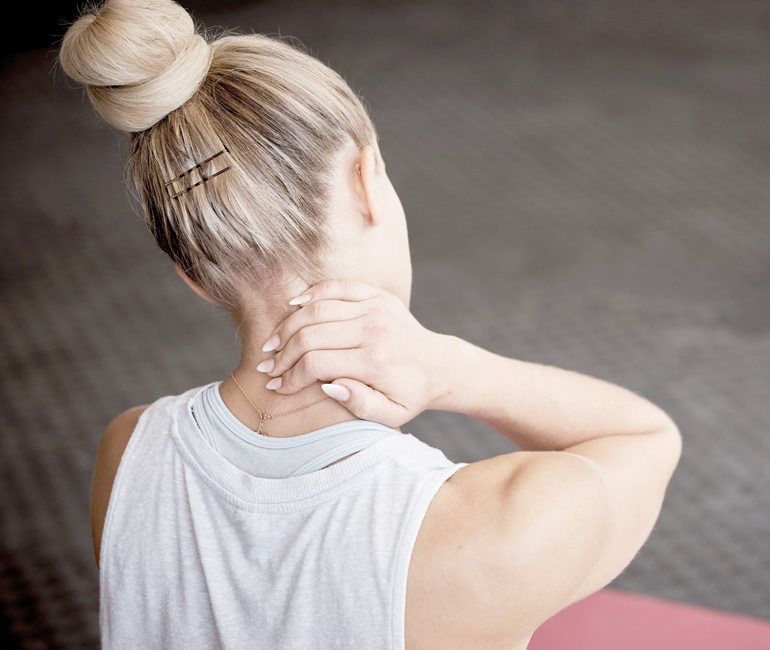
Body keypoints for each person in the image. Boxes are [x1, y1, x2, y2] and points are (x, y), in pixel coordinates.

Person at [60, 1, 682, 648]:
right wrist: (453, 372)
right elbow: (644, 437)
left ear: (191, 272)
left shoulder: (127, 453)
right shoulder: (496, 528)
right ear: (367, 182)